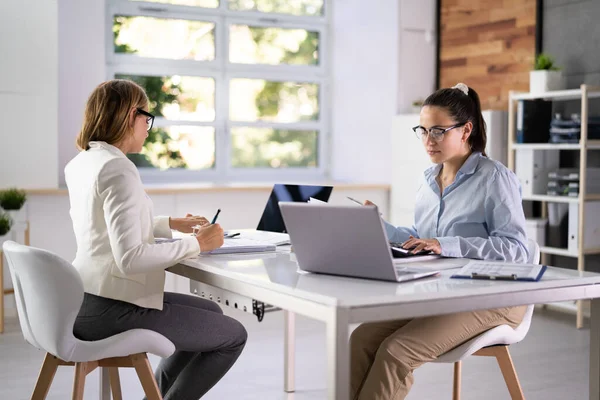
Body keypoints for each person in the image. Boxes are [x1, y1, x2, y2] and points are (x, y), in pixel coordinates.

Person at [65, 79, 247, 400]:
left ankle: (158, 394)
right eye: (146, 116)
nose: (148, 126)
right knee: (233, 335)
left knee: (212, 314)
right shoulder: (119, 169)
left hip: (87, 300)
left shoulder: (85, 161)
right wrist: (199, 244)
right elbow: (131, 258)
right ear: (127, 115)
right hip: (113, 311)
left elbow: (103, 229)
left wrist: (169, 223)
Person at [351, 83, 529, 400]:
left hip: (495, 297)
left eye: (438, 131)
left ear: (466, 130)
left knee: (397, 351)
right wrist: (378, 226)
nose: (428, 141)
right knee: (361, 339)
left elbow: (516, 251)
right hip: (445, 291)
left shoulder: (493, 177)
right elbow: (423, 240)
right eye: (423, 130)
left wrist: (446, 244)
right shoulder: (428, 180)